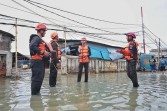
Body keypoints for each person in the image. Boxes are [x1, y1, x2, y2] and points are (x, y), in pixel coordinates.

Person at [29, 23, 50, 95]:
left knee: (39, 79)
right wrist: (43, 52)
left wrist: (46, 54)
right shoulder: (36, 38)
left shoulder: (40, 40)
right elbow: (32, 46)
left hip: (40, 62)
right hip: (36, 62)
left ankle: (36, 95)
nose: (45, 32)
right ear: (41, 31)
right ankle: (34, 98)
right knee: (36, 80)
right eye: (44, 31)